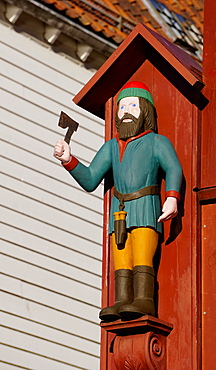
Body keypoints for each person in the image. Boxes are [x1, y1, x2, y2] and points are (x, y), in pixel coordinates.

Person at [54, 81, 182, 322]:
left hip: (146, 204)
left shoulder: (157, 142)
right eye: (122, 107)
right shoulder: (111, 146)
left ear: (145, 110)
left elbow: (173, 168)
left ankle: (144, 299)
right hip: (119, 210)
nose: (125, 112)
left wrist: (172, 197)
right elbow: (91, 179)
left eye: (132, 106)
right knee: (121, 256)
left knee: (143, 254)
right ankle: (122, 300)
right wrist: (69, 160)